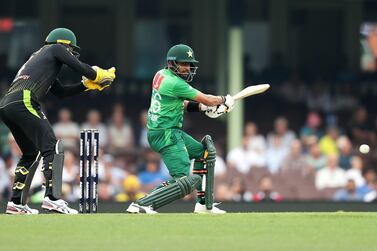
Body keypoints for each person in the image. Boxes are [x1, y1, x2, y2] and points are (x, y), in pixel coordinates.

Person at [0, 28, 116, 214]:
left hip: (7, 105)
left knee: (31, 154)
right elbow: (79, 66)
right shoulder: (54, 49)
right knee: (53, 147)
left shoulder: (39, 62)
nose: (70, 54)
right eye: (71, 50)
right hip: (24, 100)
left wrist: (85, 85)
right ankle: (52, 199)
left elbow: (61, 92)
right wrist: (97, 74)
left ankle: (16, 203)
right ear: (63, 44)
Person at [126, 44, 234, 214]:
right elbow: (206, 99)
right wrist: (224, 100)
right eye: (183, 63)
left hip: (167, 132)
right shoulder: (175, 82)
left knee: (205, 154)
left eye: (189, 64)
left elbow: (179, 104)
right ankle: (143, 204)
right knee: (183, 181)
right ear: (171, 63)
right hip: (166, 134)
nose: (188, 68)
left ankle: (204, 205)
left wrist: (203, 108)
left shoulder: (161, 74)